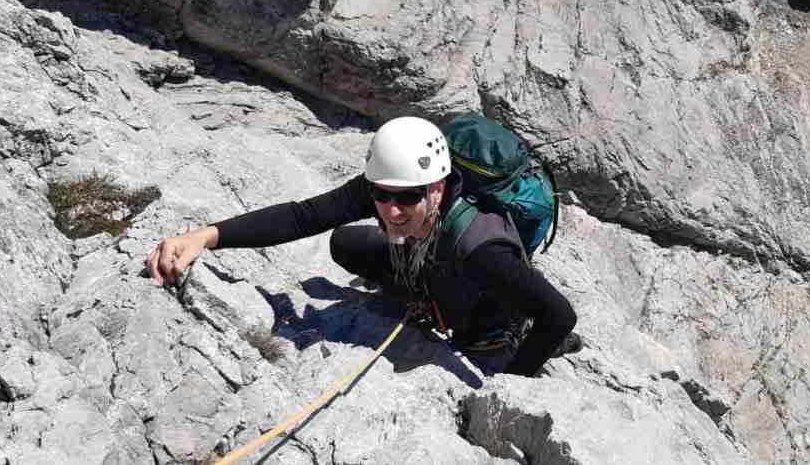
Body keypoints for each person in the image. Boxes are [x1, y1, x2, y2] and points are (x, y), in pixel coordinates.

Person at [147, 116, 579, 377]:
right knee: (344, 241)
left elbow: (559, 314)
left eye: (407, 198)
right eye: (382, 195)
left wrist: (516, 380)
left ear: (438, 187)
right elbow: (304, 216)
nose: (391, 210)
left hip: (479, 319)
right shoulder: (391, 187)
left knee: (487, 345)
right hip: (426, 270)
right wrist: (204, 236)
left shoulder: (482, 247)